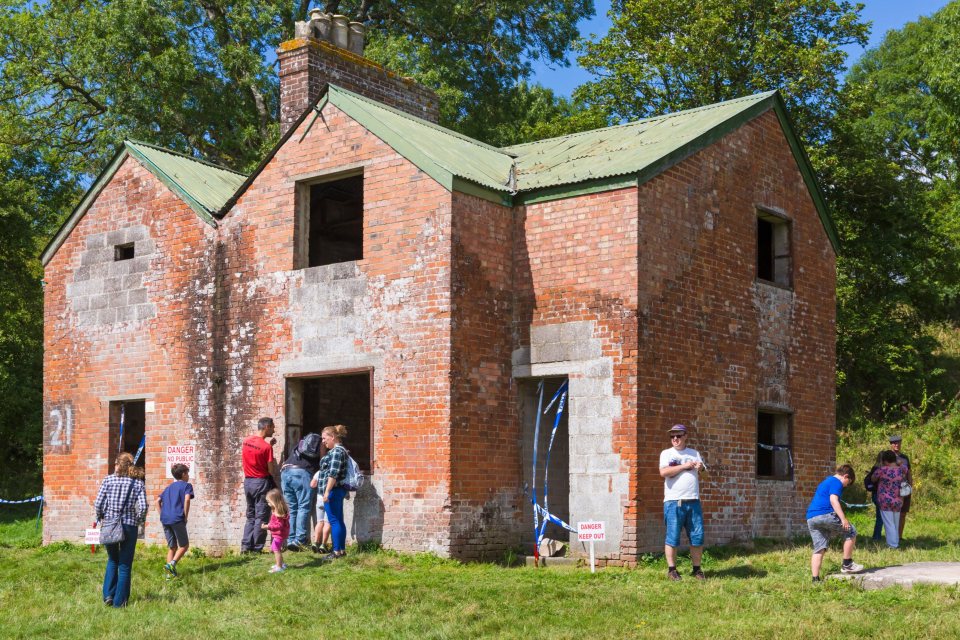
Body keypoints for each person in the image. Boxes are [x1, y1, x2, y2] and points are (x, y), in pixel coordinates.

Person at [95, 452, 148, 607]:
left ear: (118, 464)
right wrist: (138, 520)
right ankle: (120, 603)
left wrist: (101, 517)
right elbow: (143, 507)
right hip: (129, 526)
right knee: (124, 565)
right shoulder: (137, 483)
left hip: (110, 525)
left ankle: (108, 595)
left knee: (112, 559)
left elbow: (98, 504)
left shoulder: (108, 480)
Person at [658, 424, 705, 581]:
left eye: (678, 436)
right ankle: (672, 570)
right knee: (672, 537)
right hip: (673, 502)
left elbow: (703, 471)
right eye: (672, 436)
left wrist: (700, 467)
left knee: (697, 537)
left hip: (693, 501)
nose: (675, 439)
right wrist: (684, 466)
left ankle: (697, 570)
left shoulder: (694, 453)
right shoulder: (666, 453)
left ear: (685, 436)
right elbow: (664, 472)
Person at [805, 464, 864, 583]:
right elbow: (833, 500)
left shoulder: (826, 481)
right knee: (851, 532)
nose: (846, 486)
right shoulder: (836, 482)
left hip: (811, 517)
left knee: (819, 548)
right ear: (845, 476)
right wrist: (843, 519)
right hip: (825, 514)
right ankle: (847, 564)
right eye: (848, 483)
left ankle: (815, 579)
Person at [241, 417, 278, 553]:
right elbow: (270, 470)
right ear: (267, 427)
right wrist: (271, 452)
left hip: (248, 482)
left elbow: (255, 453)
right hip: (261, 482)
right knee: (261, 516)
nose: (274, 430)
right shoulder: (266, 447)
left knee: (250, 515)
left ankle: (245, 546)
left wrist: (270, 447)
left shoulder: (246, 442)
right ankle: (257, 548)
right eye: (273, 427)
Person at [280, 434, 322, 551]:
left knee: (292, 509)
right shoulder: (319, 445)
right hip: (302, 473)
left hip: (286, 471)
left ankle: (290, 539)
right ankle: (300, 540)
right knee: (303, 507)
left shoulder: (299, 445)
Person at [317, 425, 350, 560]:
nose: (323, 441)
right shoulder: (339, 451)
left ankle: (336, 551)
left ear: (333, 437)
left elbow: (333, 473)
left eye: (325, 438)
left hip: (333, 491)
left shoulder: (336, 452)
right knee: (339, 521)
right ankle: (341, 550)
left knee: (334, 521)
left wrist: (327, 492)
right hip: (337, 490)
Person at [156, 463, 194, 578]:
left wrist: (162, 514)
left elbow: (157, 501)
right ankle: (172, 564)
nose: (188, 476)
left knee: (172, 547)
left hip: (165, 519)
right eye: (187, 473)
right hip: (177, 518)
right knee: (184, 545)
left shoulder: (168, 487)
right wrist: (185, 516)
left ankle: (169, 576)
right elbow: (187, 500)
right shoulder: (187, 486)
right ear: (183, 474)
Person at [871, 450, 907, 549]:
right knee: (895, 523)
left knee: (888, 523)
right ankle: (896, 542)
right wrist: (899, 462)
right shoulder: (901, 469)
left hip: (884, 500)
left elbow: (873, 478)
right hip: (898, 500)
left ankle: (892, 545)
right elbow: (905, 468)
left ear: (885, 460)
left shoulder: (882, 470)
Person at [888, 435, 912, 541]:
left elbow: (909, 473)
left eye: (898, 442)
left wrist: (911, 486)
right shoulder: (887, 457)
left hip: (904, 488)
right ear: (891, 444)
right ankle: (892, 536)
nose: (896, 444)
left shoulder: (905, 458)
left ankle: (900, 536)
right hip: (892, 489)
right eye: (894, 443)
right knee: (893, 514)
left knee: (902, 513)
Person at [262, 489, 290, 573]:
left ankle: (279, 567)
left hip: (279, 534)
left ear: (274, 501)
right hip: (280, 534)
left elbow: (279, 526)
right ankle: (281, 564)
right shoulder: (277, 509)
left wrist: (268, 526)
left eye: (269, 502)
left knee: (276, 549)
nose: (268, 503)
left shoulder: (278, 512)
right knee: (276, 548)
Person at [311, 465, 332, 553]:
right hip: (328, 499)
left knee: (320, 522)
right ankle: (323, 544)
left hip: (319, 499)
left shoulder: (319, 472)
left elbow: (312, 485)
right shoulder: (332, 473)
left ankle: (316, 543)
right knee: (327, 522)